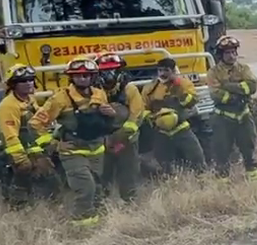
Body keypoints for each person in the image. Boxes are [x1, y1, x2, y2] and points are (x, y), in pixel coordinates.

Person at [30, 57, 117, 226]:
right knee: (86, 188)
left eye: (86, 75)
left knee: (98, 189)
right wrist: (53, 144)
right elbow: (35, 124)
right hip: (73, 151)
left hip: (96, 150)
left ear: (93, 77)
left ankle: (98, 224)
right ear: (71, 77)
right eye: (78, 76)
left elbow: (103, 123)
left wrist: (111, 115)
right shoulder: (60, 98)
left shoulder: (99, 94)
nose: (82, 79)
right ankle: (80, 225)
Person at [0, 64, 57, 208]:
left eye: (30, 79)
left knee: (49, 175)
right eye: (23, 81)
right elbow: (10, 136)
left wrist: (50, 144)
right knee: (24, 174)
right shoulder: (8, 106)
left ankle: (46, 205)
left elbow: (38, 123)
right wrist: (21, 159)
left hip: (30, 147)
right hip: (15, 151)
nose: (29, 83)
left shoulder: (29, 100)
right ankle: (17, 206)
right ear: (13, 85)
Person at [206, 35, 257, 181]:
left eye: (233, 52)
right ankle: (223, 183)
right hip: (222, 118)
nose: (231, 56)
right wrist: (237, 94)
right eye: (227, 53)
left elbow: (252, 86)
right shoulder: (213, 72)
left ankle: (254, 181)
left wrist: (228, 86)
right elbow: (216, 94)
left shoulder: (244, 68)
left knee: (249, 149)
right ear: (220, 54)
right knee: (221, 152)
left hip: (243, 115)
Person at [139, 57, 206, 174]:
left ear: (173, 71)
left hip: (181, 127)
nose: (162, 74)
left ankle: (201, 177)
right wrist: (152, 118)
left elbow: (192, 101)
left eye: (166, 70)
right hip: (160, 131)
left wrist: (178, 90)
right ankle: (169, 179)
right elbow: (143, 108)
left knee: (196, 156)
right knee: (163, 162)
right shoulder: (150, 88)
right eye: (160, 70)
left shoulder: (183, 84)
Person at [93, 53, 143, 204]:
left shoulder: (130, 90)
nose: (109, 75)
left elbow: (136, 117)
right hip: (102, 139)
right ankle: (101, 204)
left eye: (113, 70)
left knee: (128, 172)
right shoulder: (93, 92)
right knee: (102, 173)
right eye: (104, 72)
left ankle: (130, 203)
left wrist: (118, 138)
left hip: (126, 139)